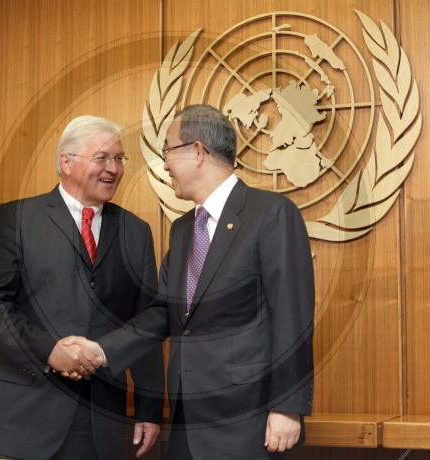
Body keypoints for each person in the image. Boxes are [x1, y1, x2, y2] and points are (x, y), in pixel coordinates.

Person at [65, 104, 315, 459]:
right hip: (186, 420)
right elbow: (162, 314)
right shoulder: (184, 230)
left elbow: (293, 315)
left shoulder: (270, 213)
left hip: (247, 421)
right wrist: (102, 351)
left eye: (168, 150)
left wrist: (287, 406)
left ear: (197, 151)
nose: (165, 164)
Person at [0, 115, 164, 460]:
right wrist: (49, 351)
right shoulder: (16, 219)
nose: (114, 168)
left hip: (98, 420)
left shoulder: (136, 232)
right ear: (66, 162)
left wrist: (148, 409)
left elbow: (145, 324)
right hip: (22, 417)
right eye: (102, 158)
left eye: (119, 159)